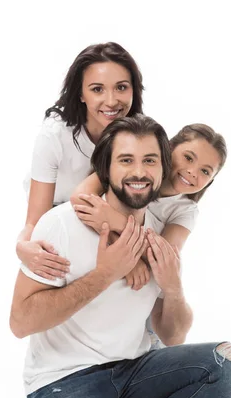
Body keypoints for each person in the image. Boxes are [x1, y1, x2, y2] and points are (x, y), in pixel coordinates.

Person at [10, 114, 231, 398]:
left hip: (133, 371)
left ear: (162, 169)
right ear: (106, 166)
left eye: (149, 162)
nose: (139, 172)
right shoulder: (64, 224)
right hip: (64, 383)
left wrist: (171, 285)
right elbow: (19, 323)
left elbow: (170, 336)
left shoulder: (164, 233)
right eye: (126, 161)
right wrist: (106, 272)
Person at [71, 123, 227, 398]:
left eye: (206, 171)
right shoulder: (135, 170)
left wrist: (113, 221)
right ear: (168, 150)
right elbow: (82, 198)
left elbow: (165, 256)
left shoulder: (184, 210)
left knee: (151, 355)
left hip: (145, 295)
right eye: (188, 158)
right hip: (105, 287)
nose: (193, 172)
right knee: (123, 357)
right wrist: (137, 247)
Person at [16, 41, 144, 277]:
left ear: (134, 89)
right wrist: (22, 246)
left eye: (121, 87)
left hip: (107, 213)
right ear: (81, 94)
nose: (112, 101)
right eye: (97, 89)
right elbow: (36, 220)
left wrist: (130, 251)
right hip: (58, 212)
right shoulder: (54, 135)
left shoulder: (137, 134)